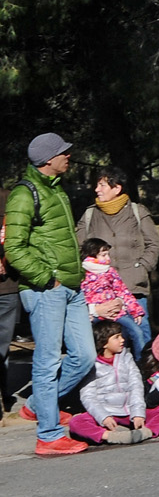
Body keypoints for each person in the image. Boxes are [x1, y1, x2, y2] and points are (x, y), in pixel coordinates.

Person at [3, 133, 94, 456]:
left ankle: (40, 405)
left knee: (85, 356)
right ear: (46, 160)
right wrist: (47, 279)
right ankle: (49, 434)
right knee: (47, 361)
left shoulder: (56, 190)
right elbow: (13, 248)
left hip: (71, 287)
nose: (69, 156)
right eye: (63, 153)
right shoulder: (24, 195)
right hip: (47, 290)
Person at [74, 165, 159, 352]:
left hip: (134, 289)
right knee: (104, 340)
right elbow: (78, 249)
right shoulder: (90, 215)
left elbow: (154, 244)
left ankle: (146, 377)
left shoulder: (138, 212)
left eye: (102, 185)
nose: (97, 190)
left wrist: (141, 268)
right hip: (100, 294)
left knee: (140, 336)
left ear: (117, 188)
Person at [69, 320, 159, 445]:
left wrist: (138, 413)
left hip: (129, 410)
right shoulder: (92, 364)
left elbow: (136, 386)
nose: (122, 340)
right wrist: (103, 417)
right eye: (116, 337)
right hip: (106, 410)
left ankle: (145, 433)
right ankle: (111, 436)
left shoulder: (126, 357)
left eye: (121, 335)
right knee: (76, 422)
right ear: (104, 343)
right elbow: (88, 396)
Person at [80, 237, 147, 357]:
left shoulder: (110, 272)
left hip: (116, 313)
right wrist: (89, 311)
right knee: (89, 337)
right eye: (103, 255)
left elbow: (122, 291)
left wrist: (135, 310)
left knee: (137, 332)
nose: (108, 259)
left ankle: (140, 361)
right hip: (94, 314)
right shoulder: (82, 273)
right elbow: (79, 296)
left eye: (108, 255)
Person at [0, 186, 22, 414]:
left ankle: (3, 395)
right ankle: (4, 395)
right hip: (8, 284)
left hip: (7, 287)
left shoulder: (12, 198)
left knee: (2, 346)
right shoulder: (13, 198)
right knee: (2, 346)